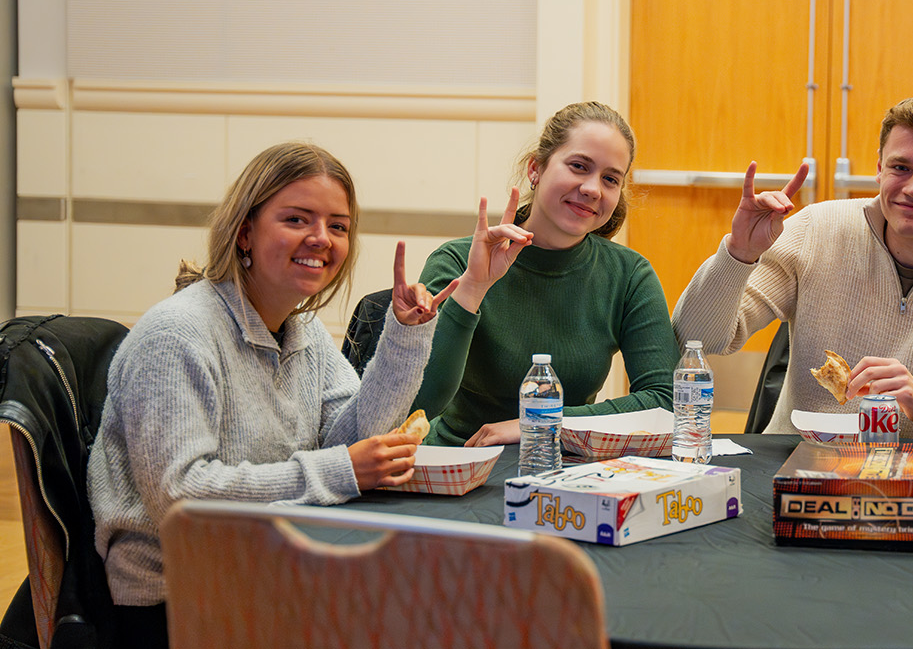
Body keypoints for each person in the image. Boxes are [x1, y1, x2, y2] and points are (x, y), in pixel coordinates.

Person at [86, 142, 518, 645]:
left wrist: (405, 332)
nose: (322, 238)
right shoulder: (176, 335)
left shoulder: (303, 332)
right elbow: (183, 501)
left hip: (269, 569)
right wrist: (344, 469)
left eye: (338, 226)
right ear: (244, 230)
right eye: (297, 219)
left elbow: (354, 438)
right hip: (177, 603)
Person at [672, 93, 913, 444]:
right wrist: (738, 253)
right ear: (878, 169)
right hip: (797, 461)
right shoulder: (816, 229)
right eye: (901, 167)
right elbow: (699, 339)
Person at [414, 102, 678, 447]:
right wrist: (474, 287)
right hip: (459, 462)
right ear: (535, 169)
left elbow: (668, 401)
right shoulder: (456, 261)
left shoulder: (629, 275)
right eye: (579, 166)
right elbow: (415, 405)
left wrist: (543, 423)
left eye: (610, 179)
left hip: (566, 466)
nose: (593, 189)